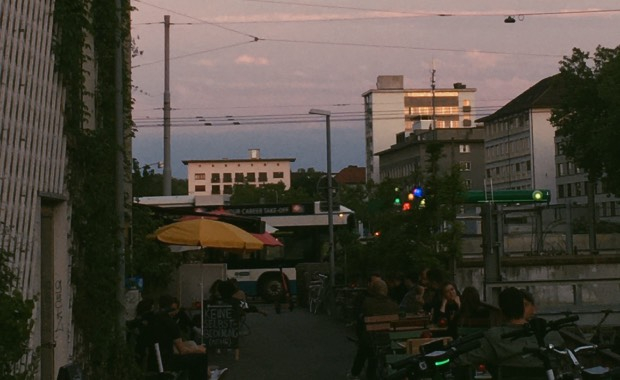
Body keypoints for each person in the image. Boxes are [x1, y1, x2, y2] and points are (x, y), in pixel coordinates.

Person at [455, 287, 565, 380]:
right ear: (523, 308)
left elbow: (462, 359)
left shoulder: (494, 338)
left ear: (502, 312)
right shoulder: (551, 335)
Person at [348, 279, 400, 380]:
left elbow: (360, 317)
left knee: (364, 346)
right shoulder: (393, 305)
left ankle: (355, 372)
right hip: (389, 339)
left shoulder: (367, 303)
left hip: (372, 339)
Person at [148, 294, 209, 380]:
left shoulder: (153, 320)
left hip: (152, 361)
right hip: (167, 362)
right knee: (200, 358)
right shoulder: (171, 323)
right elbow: (182, 351)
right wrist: (198, 350)